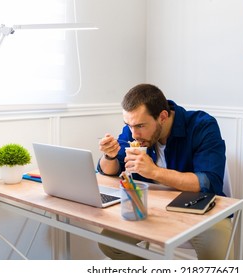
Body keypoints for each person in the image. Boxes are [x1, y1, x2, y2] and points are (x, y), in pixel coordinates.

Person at [97, 83, 233, 259]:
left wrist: (154, 172)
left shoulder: (202, 126)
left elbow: (208, 181)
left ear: (162, 116)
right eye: (129, 125)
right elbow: (110, 171)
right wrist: (110, 156)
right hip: (152, 209)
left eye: (140, 126)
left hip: (201, 211)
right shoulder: (133, 131)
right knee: (110, 244)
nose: (134, 134)